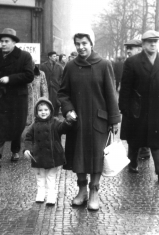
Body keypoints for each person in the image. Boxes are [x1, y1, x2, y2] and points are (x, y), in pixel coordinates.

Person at [58, 28, 121, 210]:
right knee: (78, 156)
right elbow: (63, 93)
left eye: (84, 43)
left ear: (91, 43)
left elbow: (110, 94)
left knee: (96, 157)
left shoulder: (104, 64)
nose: (81, 47)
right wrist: (68, 110)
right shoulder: (70, 66)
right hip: (77, 121)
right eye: (77, 44)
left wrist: (114, 120)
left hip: (98, 121)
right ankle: (82, 191)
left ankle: (94, 192)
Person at [0, 28, 34, 168]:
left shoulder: (24, 56)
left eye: (6, 41)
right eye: (2, 41)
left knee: (16, 125)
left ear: (14, 43)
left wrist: (10, 79)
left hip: (17, 98)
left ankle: (15, 150)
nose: (3, 44)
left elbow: (29, 75)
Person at [119, 30, 159, 177]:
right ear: (143, 44)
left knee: (156, 142)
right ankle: (133, 163)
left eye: (155, 41)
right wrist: (124, 108)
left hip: (156, 109)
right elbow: (126, 88)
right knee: (135, 139)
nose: (153, 44)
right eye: (150, 41)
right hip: (137, 108)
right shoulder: (132, 62)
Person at [24, 97, 72, 204]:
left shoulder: (55, 122)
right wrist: (27, 149)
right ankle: (40, 193)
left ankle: (51, 195)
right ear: (37, 112)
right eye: (40, 110)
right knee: (40, 176)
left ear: (50, 110)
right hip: (38, 156)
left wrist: (68, 121)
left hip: (53, 155)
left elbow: (62, 128)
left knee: (51, 177)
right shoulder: (34, 125)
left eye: (46, 110)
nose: (43, 112)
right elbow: (28, 138)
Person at [123, 39, 151, 161]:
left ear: (140, 48)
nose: (128, 50)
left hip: (144, 103)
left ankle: (143, 152)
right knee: (133, 131)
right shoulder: (129, 62)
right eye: (127, 48)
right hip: (133, 103)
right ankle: (133, 159)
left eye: (131, 48)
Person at [26, 60, 49, 126]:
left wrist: (45, 102)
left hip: (37, 102)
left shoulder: (41, 74)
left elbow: (45, 90)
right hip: (25, 104)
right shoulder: (23, 75)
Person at [40, 51, 63, 116]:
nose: (55, 58)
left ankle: (55, 117)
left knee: (56, 103)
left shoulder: (59, 66)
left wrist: (59, 83)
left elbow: (62, 77)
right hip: (47, 88)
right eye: (54, 56)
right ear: (49, 57)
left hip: (56, 88)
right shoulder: (43, 65)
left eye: (56, 56)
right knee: (47, 102)